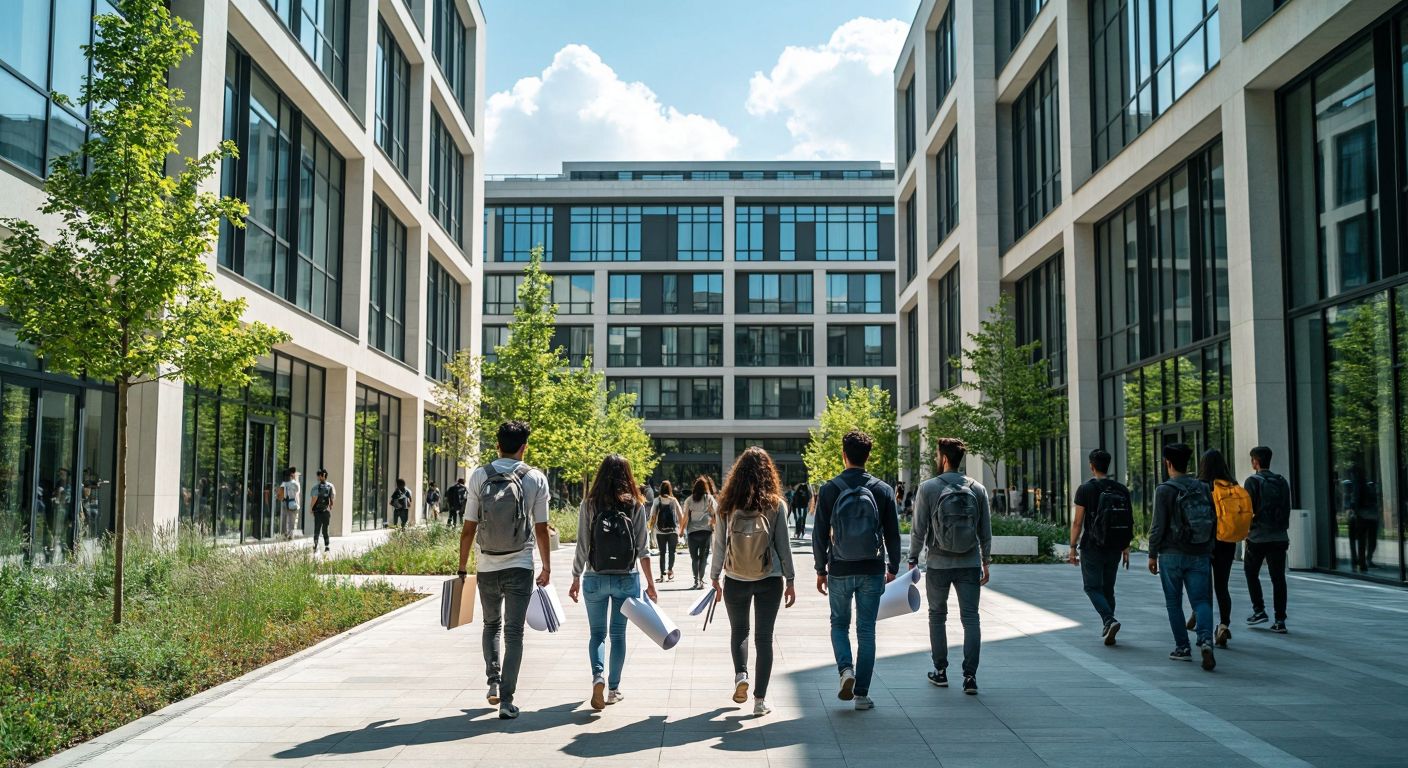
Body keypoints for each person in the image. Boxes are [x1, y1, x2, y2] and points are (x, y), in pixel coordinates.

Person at [457, 420, 552, 720]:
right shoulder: (535, 478)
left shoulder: (479, 476)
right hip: (520, 565)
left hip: (486, 565)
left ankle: (493, 681)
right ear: (524, 446)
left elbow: (468, 528)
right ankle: (507, 701)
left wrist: (462, 568)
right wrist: (547, 567)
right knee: (514, 633)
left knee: (490, 625)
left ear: (496, 444)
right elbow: (541, 528)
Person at [812, 430, 901, 711]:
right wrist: (893, 567)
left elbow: (819, 535)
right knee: (866, 630)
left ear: (843, 454)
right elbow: (893, 534)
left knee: (839, 623)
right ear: (868, 456)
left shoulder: (829, 489)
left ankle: (845, 671)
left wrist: (820, 569)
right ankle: (861, 694)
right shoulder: (883, 489)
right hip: (872, 568)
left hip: (839, 567)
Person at [711, 447, 797, 717]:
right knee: (764, 638)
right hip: (769, 578)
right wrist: (791, 579)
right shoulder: (775, 504)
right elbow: (784, 546)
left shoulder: (727, 505)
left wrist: (714, 577)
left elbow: (719, 545)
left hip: (735, 577)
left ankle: (741, 675)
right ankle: (760, 701)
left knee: (740, 631)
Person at [569, 455, 657, 711]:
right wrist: (651, 584)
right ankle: (614, 689)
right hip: (626, 578)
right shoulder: (636, 505)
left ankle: (598, 676)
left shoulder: (589, 504)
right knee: (618, 635)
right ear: (627, 476)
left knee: (597, 634)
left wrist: (576, 576)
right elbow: (643, 549)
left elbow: (582, 544)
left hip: (595, 577)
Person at [909, 437, 992, 695]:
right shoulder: (977, 488)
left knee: (937, 615)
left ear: (944, 459)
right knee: (971, 618)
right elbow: (985, 530)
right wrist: (985, 561)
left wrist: (912, 558)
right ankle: (970, 677)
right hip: (969, 562)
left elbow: (919, 529)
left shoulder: (928, 488)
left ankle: (941, 671)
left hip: (938, 563)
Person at [1148, 442, 1217, 671]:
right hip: (1199, 552)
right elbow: (1213, 518)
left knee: (1173, 602)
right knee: (1201, 601)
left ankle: (1182, 648)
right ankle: (1206, 640)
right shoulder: (1204, 487)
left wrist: (1152, 554)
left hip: (1171, 554)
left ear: (1168, 463)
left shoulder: (1165, 489)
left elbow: (1158, 526)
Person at [1069, 449, 1133, 646]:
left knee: (1091, 586)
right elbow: (1129, 520)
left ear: (1091, 465)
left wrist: (1072, 547)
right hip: (1114, 546)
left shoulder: (1085, 489)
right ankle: (1109, 625)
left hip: (1092, 545)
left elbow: (1078, 523)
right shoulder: (1121, 489)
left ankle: (1108, 620)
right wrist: (1126, 546)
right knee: (1108, 588)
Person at [1192, 449, 1252, 648]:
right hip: (1227, 541)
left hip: (1204, 542)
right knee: (1222, 586)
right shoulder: (1233, 486)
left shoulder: (1201, 486)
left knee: (1202, 586)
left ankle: (1201, 622)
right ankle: (1224, 624)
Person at [1243, 446, 1291, 633]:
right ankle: (1280, 619)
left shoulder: (1252, 481)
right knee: (1278, 578)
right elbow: (1287, 508)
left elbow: (1248, 510)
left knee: (1251, 572)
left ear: (1255, 462)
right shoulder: (1282, 481)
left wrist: (1246, 532)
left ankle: (1259, 610)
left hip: (1258, 537)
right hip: (1279, 537)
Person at [682, 476, 717, 590]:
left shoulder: (689, 500)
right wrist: (713, 524)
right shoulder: (709, 498)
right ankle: (701, 580)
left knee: (694, 558)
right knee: (703, 557)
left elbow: (685, 517)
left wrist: (681, 530)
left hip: (692, 532)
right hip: (706, 532)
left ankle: (696, 580)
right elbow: (716, 514)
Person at [649, 480, 682, 581]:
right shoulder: (673, 500)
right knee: (672, 552)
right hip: (673, 530)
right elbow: (680, 515)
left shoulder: (657, 500)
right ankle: (670, 571)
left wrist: (650, 528)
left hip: (660, 531)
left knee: (662, 553)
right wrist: (681, 529)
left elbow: (653, 516)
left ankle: (662, 575)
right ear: (670, 489)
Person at [309, 469, 336, 553]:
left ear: (321, 476)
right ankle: (327, 546)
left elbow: (314, 498)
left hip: (317, 511)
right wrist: (330, 505)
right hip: (326, 511)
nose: (317, 477)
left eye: (318, 476)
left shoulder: (316, 487)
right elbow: (332, 497)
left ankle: (315, 545)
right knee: (325, 529)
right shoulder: (331, 486)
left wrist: (311, 508)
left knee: (317, 528)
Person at [276, 467, 301, 539]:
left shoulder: (283, 484)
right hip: (293, 503)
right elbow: (297, 492)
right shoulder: (296, 484)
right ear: (292, 476)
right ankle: (291, 535)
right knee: (292, 520)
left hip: (285, 503)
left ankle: (284, 534)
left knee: (284, 519)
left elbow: (279, 494)